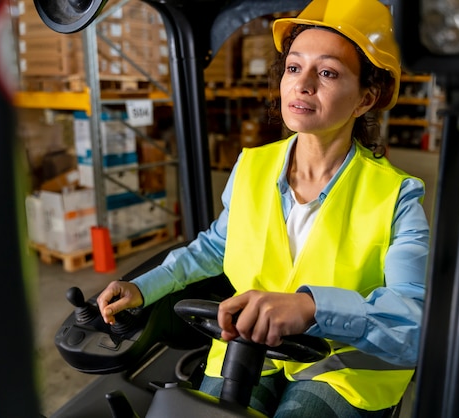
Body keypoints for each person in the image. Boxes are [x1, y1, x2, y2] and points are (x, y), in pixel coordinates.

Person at [97, 0, 429, 416]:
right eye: (293, 67)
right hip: (246, 343)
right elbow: (216, 247)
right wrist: (144, 287)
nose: (302, 85)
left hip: (343, 368)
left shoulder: (396, 195)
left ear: (365, 98)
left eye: (326, 72)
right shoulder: (252, 166)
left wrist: (312, 309)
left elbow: (413, 320)